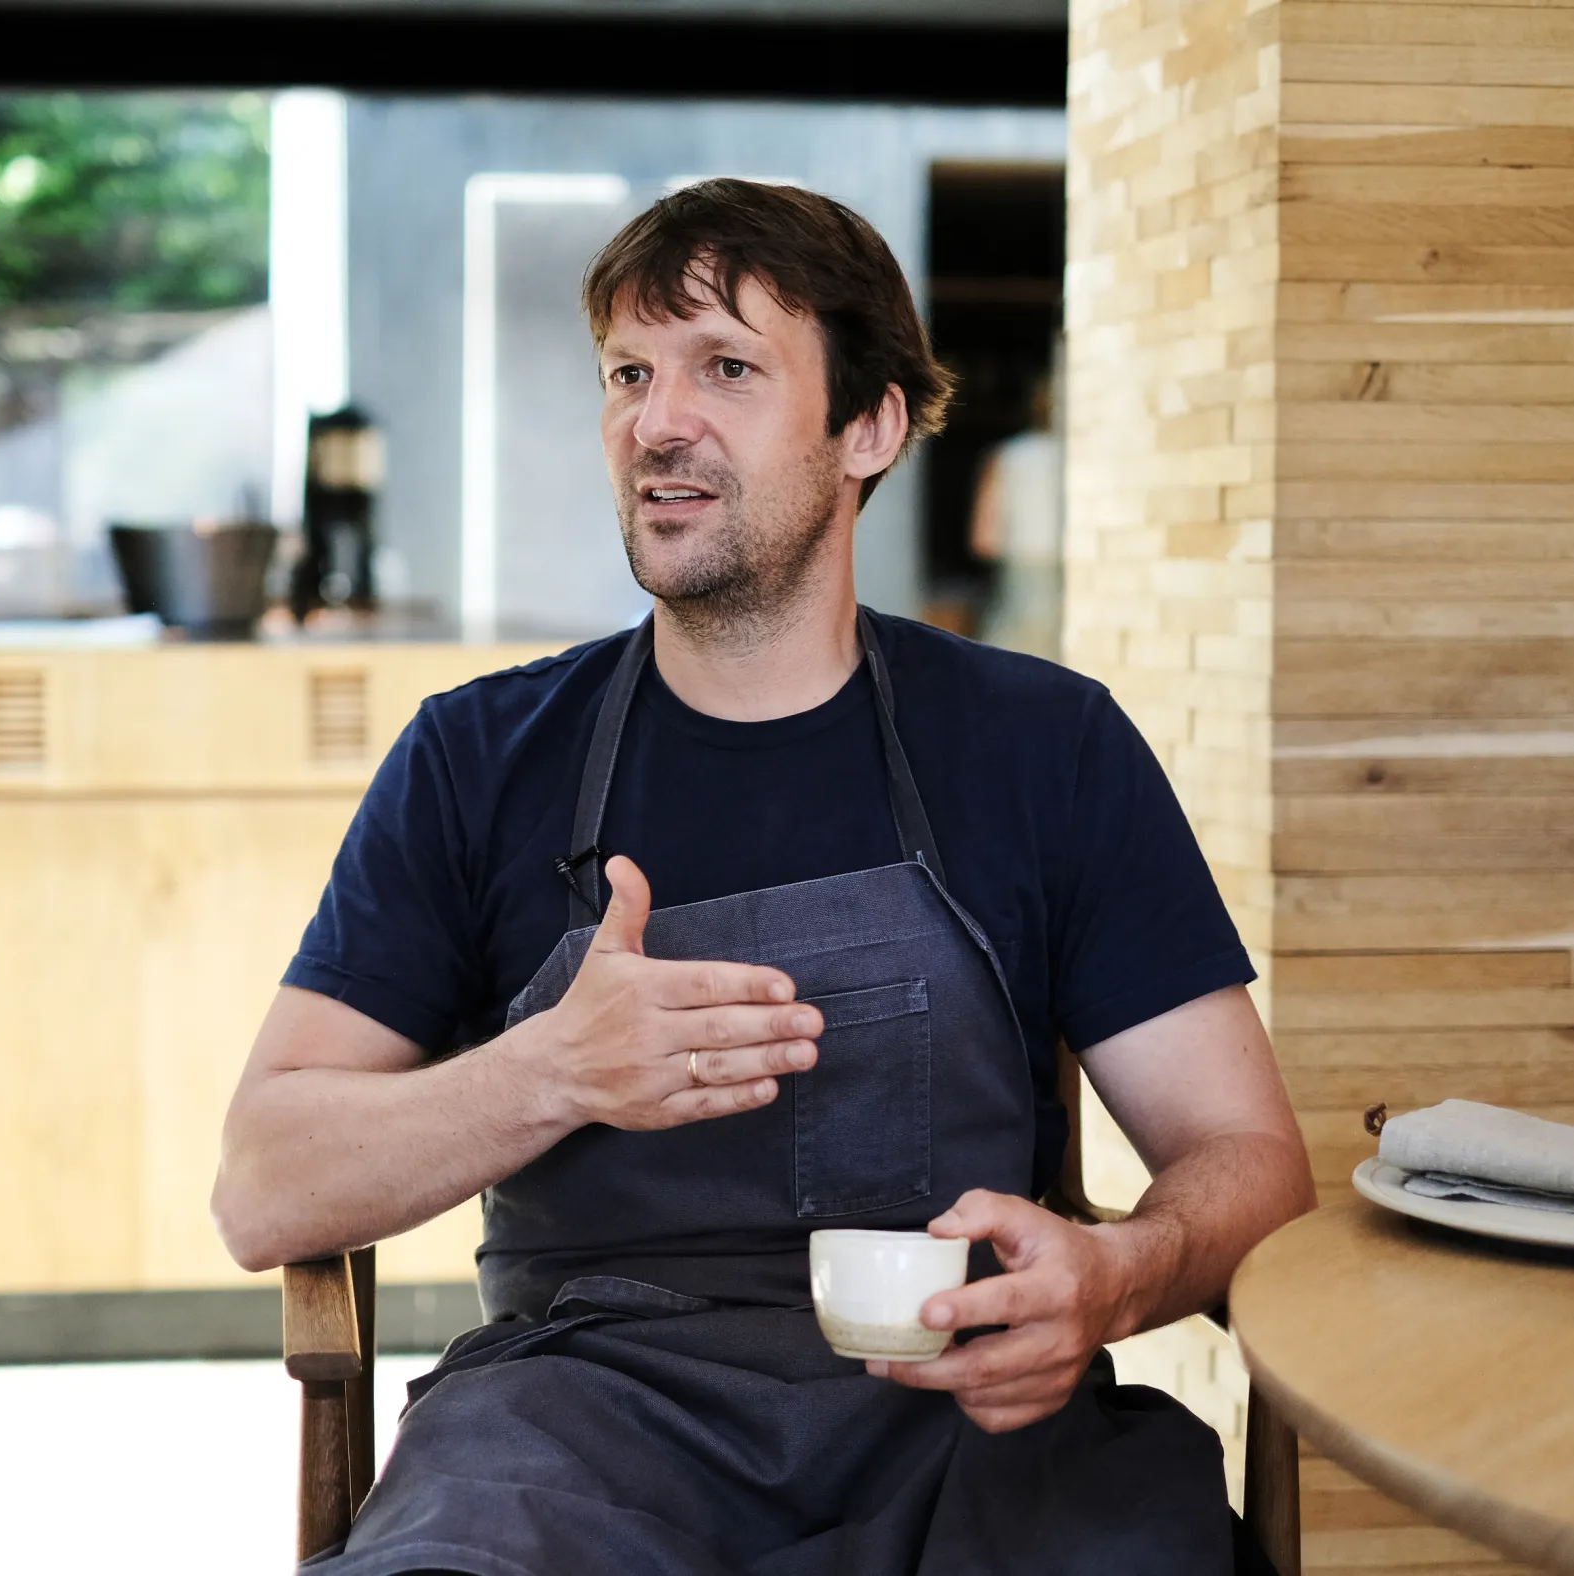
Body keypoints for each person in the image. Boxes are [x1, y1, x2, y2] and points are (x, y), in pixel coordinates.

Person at [213, 181, 1314, 1575]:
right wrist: (548, 1072)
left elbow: (1251, 1166)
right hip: (574, 1433)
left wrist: (1116, 1276)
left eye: (725, 368)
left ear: (870, 427)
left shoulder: (1046, 747)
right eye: (628, 373)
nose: (654, 423)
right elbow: (262, 1185)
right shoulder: (477, 759)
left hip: (965, 1423)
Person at [970, 368, 1065, 660]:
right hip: (1067, 565)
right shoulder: (1077, 456)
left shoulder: (1006, 456)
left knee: (1006, 655)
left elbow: (983, 539)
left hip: (1022, 567)